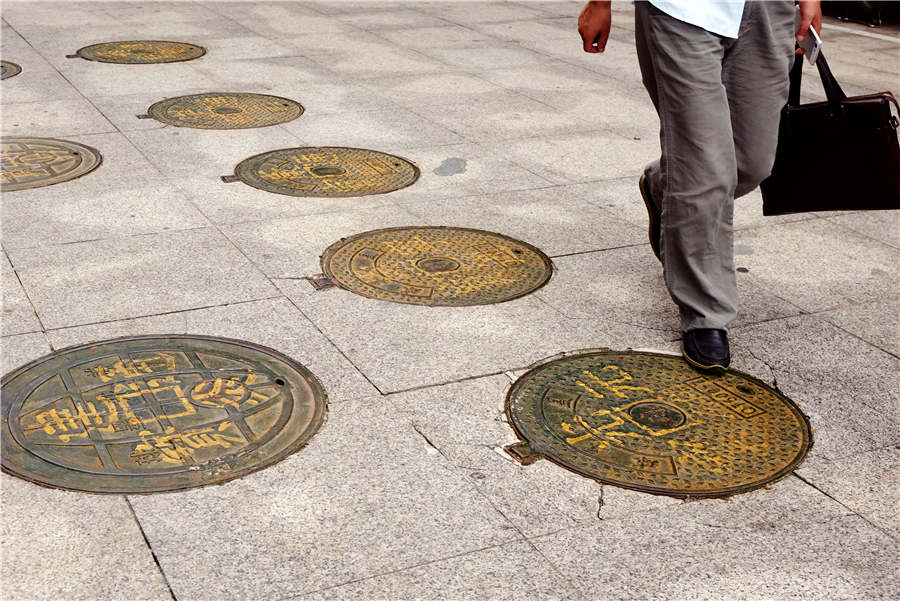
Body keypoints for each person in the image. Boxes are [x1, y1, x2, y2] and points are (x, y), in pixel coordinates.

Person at [578, 0, 821, 373]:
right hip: (680, 10)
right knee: (702, 168)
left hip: (769, 11)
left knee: (752, 163)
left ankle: (664, 185)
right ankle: (706, 313)